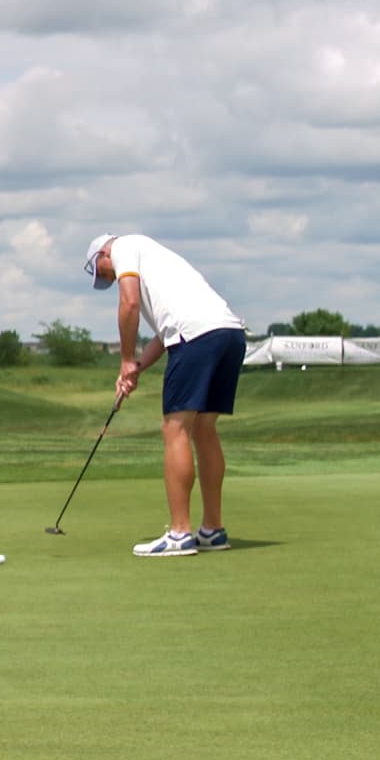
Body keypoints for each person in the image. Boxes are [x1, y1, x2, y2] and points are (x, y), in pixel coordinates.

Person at [84, 232, 247, 557]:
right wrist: (135, 369)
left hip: (197, 337)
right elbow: (162, 337)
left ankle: (179, 533)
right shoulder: (162, 263)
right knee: (203, 429)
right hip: (229, 335)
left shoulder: (124, 247)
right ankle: (212, 530)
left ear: (102, 253)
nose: (108, 277)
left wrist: (126, 359)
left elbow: (128, 303)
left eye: (102, 272)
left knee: (175, 429)